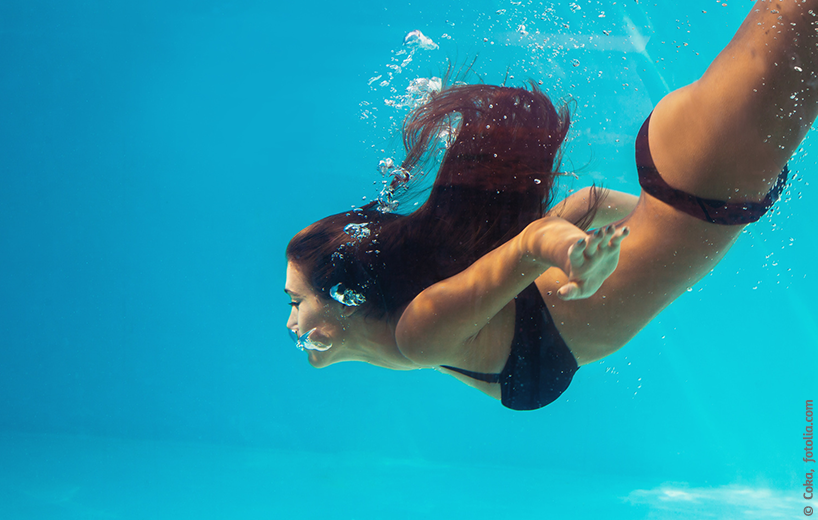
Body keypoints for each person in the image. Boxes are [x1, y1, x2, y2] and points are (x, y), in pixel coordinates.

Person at [284, 0, 818, 410]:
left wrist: (578, 258)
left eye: (294, 302)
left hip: (705, 182)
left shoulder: (421, 333)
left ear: (342, 296)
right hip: (699, 186)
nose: (291, 321)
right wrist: (633, 232)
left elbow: (535, 242)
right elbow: (586, 202)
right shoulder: (430, 333)